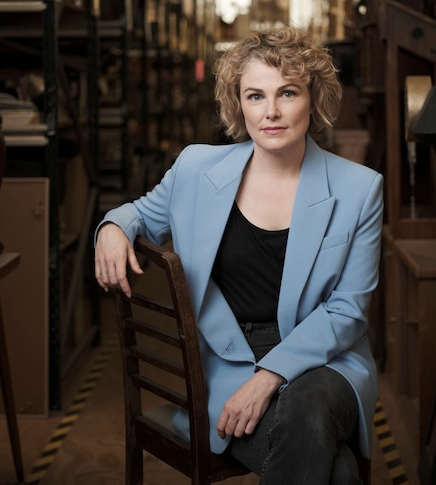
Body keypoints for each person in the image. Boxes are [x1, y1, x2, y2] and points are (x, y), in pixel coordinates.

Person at [94, 26, 383, 484]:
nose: (270, 112)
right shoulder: (195, 169)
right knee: (340, 472)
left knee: (308, 408)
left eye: (287, 93)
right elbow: (139, 215)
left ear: (314, 98)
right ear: (238, 103)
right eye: (254, 96)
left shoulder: (359, 188)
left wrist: (270, 375)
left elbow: (348, 311)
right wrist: (112, 226)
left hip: (326, 359)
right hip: (227, 366)